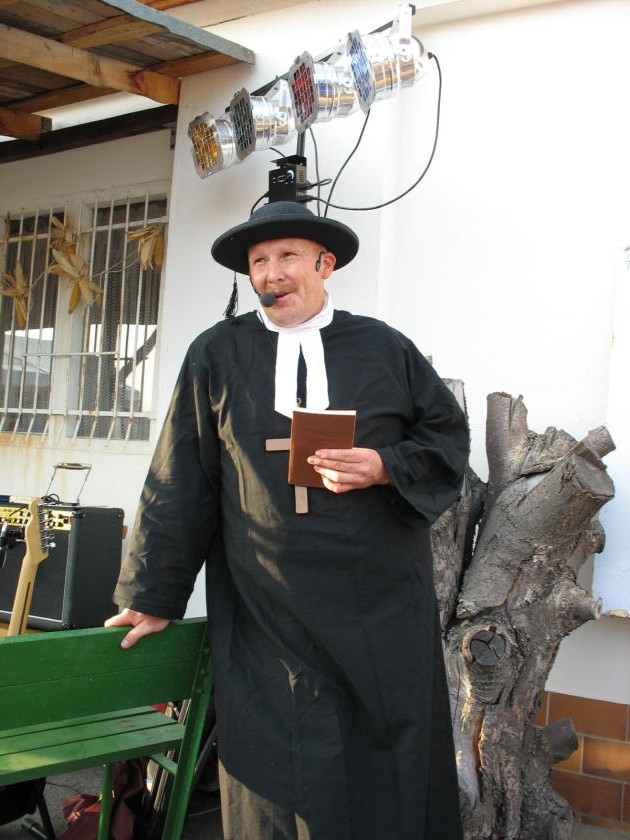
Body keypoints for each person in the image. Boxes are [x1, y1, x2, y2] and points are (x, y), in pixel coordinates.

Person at [106, 200, 469, 840]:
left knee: (385, 772)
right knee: (278, 777)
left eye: (288, 256)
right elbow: (179, 479)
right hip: (266, 616)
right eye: (258, 262)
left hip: (380, 611)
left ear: (325, 265)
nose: (272, 274)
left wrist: (383, 465)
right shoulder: (216, 354)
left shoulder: (384, 348)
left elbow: (446, 441)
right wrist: (152, 594)